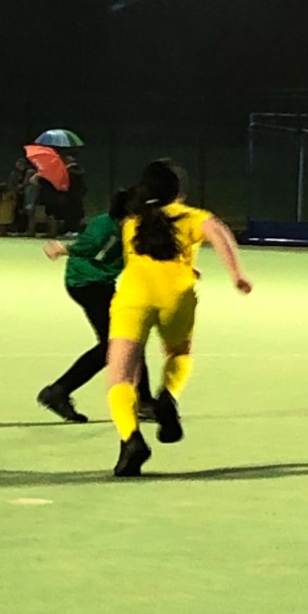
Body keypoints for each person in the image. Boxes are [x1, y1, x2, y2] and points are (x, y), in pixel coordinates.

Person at [106, 159, 252, 477]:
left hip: (133, 297)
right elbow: (219, 233)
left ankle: (131, 440)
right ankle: (168, 396)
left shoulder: (132, 222)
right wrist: (237, 274)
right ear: (179, 192)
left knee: (120, 378)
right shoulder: (192, 217)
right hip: (177, 296)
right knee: (178, 354)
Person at [37, 190, 153, 424]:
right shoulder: (104, 226)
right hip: (86, 284)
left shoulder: (132, 229)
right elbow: (90, 245)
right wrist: (65, 249)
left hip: (100, 284)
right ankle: (58, 391)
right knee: (118, 344)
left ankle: (144, 402)